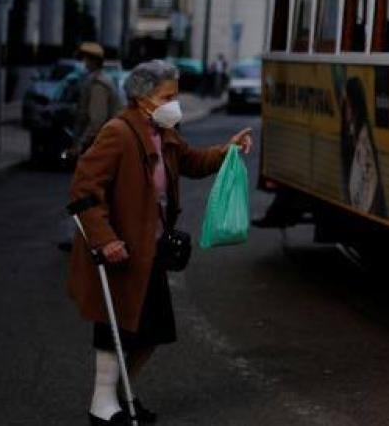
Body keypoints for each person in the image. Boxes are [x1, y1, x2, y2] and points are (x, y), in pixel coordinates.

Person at [67, 60, 252, 425]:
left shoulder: (164, 132)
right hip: (121, 251)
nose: (174, 103)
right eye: (167, 97)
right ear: (142, 98)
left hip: (150, 251)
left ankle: (122, 394)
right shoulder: (118, 133)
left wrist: (226, 150)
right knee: (116, 329)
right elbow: (84, 190)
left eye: (175, 95)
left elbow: (191, 162)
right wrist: (105, 240)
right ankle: (101, 404)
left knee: (152, 331)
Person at [69, 42, 123, 161]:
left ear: (92, 61)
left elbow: (97, 119)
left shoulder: (98, 84)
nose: (81, 62)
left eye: (83, 58)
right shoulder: (94, 80)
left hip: (98, 145)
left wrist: (81, 143)